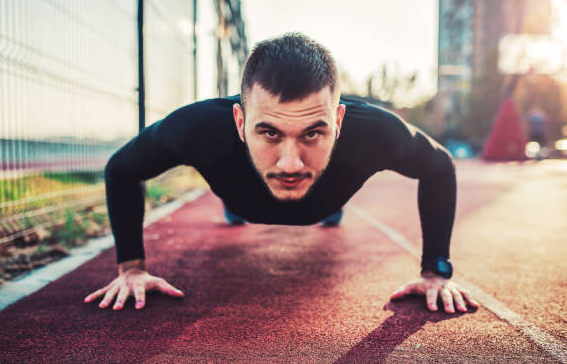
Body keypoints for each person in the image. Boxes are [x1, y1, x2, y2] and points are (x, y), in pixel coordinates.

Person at [84, 33, 479, 314]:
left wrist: (436, 270)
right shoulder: (196, 129)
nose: (290, 162)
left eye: (314, 133)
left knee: (321, 204)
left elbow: (439, 165)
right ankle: (236, 207)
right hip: (242, 196)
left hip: (323, 199)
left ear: (339, 121)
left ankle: (330, 209)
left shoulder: (375, 133)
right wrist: (131, 267)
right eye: (269, 132)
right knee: (240, 204)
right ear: (239, 120)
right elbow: (121, 169)